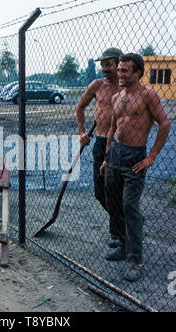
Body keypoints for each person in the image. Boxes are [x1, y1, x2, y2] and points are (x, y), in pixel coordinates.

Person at [100, 53, 171, 282]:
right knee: (113, 203)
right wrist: (106, 156)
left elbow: (165, 125)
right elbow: (112, 128)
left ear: (137, 73)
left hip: (135, 158)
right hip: (115, 155)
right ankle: (122, 244)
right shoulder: (117, 97)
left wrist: (151, 157)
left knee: (130, 206)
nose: (119, 75)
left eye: (124, 71)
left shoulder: (148, 95)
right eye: (119, 70)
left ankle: (135, 259)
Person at [76, 47, 123, 248]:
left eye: (108, 64)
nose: (104, 68)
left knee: (116, 190)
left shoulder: (127, 87)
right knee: (100, 191)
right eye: (102, 64)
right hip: (101, 141)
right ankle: (124, 221)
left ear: (119, 64)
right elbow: (80, 107)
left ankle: (117, 232)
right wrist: (82, 132)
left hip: (121, 144)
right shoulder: (97, 85)